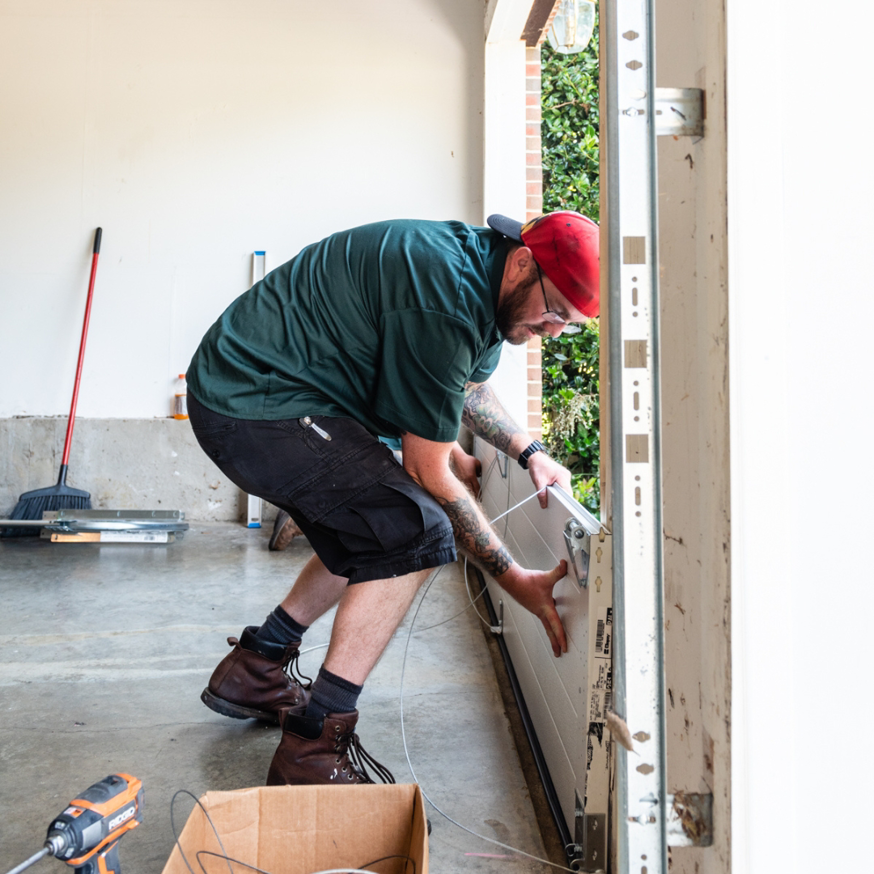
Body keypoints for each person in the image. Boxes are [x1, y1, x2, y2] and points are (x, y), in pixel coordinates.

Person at [186, 211, 599, 786]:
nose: (553, 331)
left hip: (265, 394)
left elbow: (468, 388)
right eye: (553, 312)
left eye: (569, 325)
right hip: (251, 402)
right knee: (418, 530)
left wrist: (528, 450)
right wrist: (514, 579)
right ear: (524, 264)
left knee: (377, 525)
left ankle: (255, 666)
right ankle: (315, 745)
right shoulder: (446, 295)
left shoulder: (485, 286)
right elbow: (429, 471)